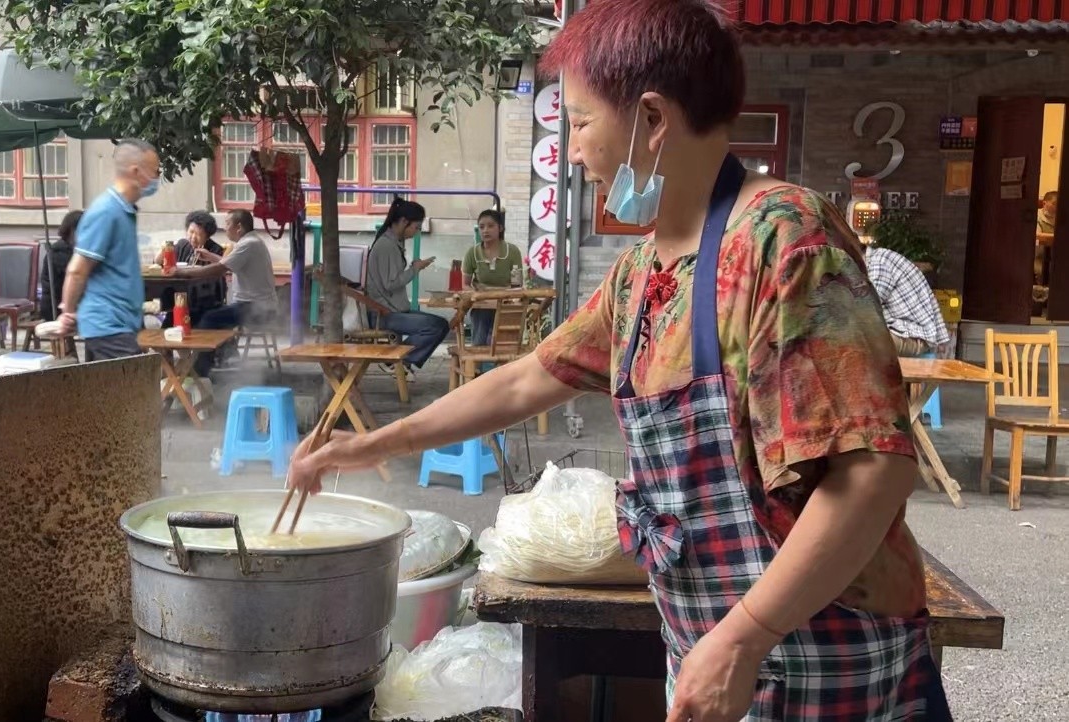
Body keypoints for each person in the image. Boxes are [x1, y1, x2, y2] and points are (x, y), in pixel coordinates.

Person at [288, 1, 951, 720]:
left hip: (827, 661)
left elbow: (873, 472)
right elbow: (529, 377)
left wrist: (746, 636)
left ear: (652, 121)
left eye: (578, 122)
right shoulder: (644, 271)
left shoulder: (785, 243)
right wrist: (369, 445)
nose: (573, 151)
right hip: (710, 653)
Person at [57, 138, 159, 361]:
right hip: (108, 326)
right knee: (137, 391)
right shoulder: (106, 211)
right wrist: (68, 313)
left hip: (121, 323)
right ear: (135, 171)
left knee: (111, 394)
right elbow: (77, 269)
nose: (157, 179)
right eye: (155, 171)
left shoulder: (125, 211)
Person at [172, 209, 278, 374]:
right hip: (251, 305)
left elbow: (220, 269)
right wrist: (210, 257)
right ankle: (217, 358)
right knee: (209, 315)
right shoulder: (249, 242)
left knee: (209, 318)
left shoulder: (248, 245)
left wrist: (182, 272)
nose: (225, 227)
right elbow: (227, 263)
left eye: (228, 224)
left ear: (239, 227)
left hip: (256, 308)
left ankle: (201, 370)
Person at [364, 198, 449, 372]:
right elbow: (390, 284)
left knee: (440, 324)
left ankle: (399, 362)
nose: (416, 232)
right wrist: (414, 269)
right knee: (436, 326)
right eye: (416, 227)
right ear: (403, 221)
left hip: (394, 310)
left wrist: (414, 268)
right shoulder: (386, 246)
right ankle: (396, 361)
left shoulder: (392, 242)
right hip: (385, 314)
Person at [865, 244, 951, 357]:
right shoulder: (877, 259)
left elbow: (867, 308)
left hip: (914, 337)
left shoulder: (879, 263)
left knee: (861, 341)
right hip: (902, 331)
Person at [463, 209, 525, 345]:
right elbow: (465, 284)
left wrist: (508, 298)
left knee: (500, 346)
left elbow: (517, 284)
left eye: (491, 226)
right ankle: (477, 365)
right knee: (479, 344)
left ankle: (498, 366)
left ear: (500, 228)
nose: (485, 230)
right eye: (481, 227)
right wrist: (476, 296)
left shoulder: (512, 251)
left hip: (506, 303)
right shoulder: (472, 253)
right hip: (481, 305)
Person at [156, 211, 227, 327]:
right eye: (191, 232)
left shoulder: (215, 250)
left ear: (207, 236)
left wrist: (209, 257)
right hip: (179, 297)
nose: (193, 237)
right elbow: (159, 263)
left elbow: (220, 271)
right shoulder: (182, 244)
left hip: (204, 299)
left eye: (198, 234)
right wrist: (164, 250)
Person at [40, 210, 83, 321]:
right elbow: (77, 278)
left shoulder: (71, 249)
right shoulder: (59, 252)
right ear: (73, 230)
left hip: (66, 303)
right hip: (55, 308)